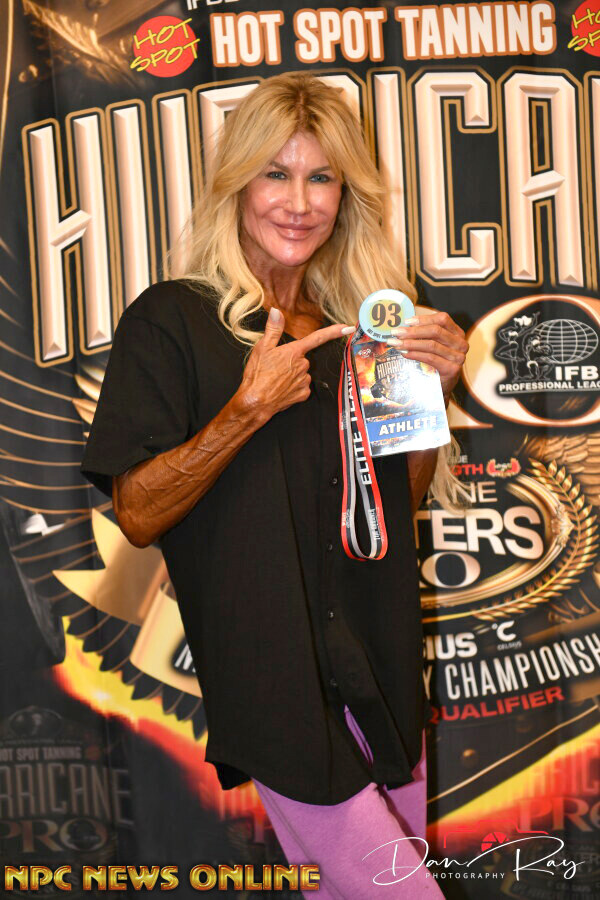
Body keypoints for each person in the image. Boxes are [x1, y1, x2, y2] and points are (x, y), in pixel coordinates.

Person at [80, 72, 468, 898]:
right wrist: (243, 412)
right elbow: (137, 513)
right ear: (237, 184)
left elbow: (394, 511)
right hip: (277, 687)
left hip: (380, 669)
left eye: (321, 177)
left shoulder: (366, 327)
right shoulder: (173, 319)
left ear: (346, 194)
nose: (299, 202)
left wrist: (429, 392)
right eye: (275, 173)